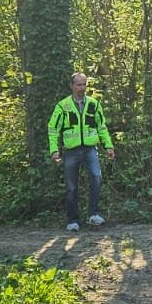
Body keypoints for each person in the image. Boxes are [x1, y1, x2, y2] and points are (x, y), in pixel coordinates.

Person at [47, 72, 115, 231]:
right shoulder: (62, 106)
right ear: (71, 86)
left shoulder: (94, 104)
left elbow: (101, 127)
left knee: (97, 178)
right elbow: (53, 128)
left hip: (90, 148)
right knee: (71, 187)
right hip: (71, 150)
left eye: (84, 84)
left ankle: (93, 214)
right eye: (78, 85)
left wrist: (108, 146)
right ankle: (73, 220)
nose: (82, 88)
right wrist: (54, 149)